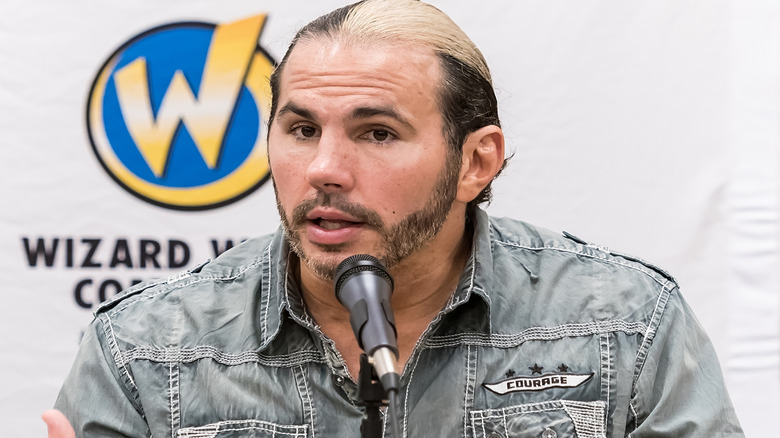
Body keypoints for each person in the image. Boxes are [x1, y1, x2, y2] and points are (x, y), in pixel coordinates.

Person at [47, 0, 744, 436]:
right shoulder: (145, 349)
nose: (324, 168)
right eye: (300, 129)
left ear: (477, 162)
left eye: (376, 132)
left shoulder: (627, 325)